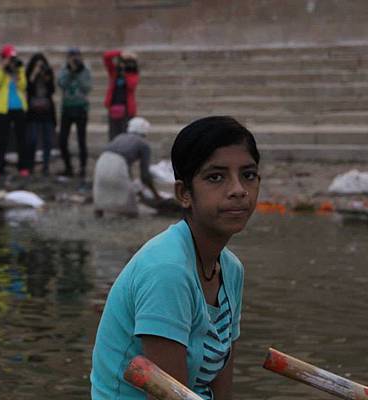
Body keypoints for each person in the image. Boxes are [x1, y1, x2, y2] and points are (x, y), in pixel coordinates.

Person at [91, 116, 261, 400]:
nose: (238, 190)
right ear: (184, 193)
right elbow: (170, 396)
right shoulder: (167, 271)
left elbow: (221, 386)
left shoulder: (230, 269)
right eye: (215, 177)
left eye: (249, 175)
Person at [92, 117, 162, 217]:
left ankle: (99, 210)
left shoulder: (120, 136)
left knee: (102, 187)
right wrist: (156, 195)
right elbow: (145, 175)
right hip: (118, 164)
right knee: (130, 204)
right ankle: (128, 213)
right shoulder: (144, 144)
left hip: (101, 161)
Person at [0, 44, 28, 180]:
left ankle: (23, 166)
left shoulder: (20, 69)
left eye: (13, 58)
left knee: (21, 139)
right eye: (9, 58)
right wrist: (3, 67)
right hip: (3, 108)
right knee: (2, 140)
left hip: (19, 107)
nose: (12, 61)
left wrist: (16, 73)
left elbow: (23, 85)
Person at [58, 47, 92, 178]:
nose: (75, 59)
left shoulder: (85, 70)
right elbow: (61, 84)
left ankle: (83, 168)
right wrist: (70, 72)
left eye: (77, 56)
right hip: (67, 108)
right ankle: (68, 167)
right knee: (62, 140)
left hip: (81, 108)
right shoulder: (64, 69)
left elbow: (87, 88)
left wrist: (78, 73)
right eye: (72, 57)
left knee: (81, 140)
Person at [25, 52, 56, 176]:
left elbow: (52, 90)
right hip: (33, 112)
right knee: (32, 140)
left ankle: (46, 166)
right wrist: (34, 73)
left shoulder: (47, 74)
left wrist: (45, 76)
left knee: (47, 140)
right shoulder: (30, 74)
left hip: (47, 112)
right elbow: (28, 87)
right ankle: (30, 165)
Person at [103, 49, 139, 141]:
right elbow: (106, 56)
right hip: (114, 107)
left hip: (127, 109)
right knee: (113, 134)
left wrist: (126, 73)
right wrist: (121, 53)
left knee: (125, 134)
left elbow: (131, 85)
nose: (124, 65)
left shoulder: (133, 74)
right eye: (122, 63)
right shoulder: (114, 73)